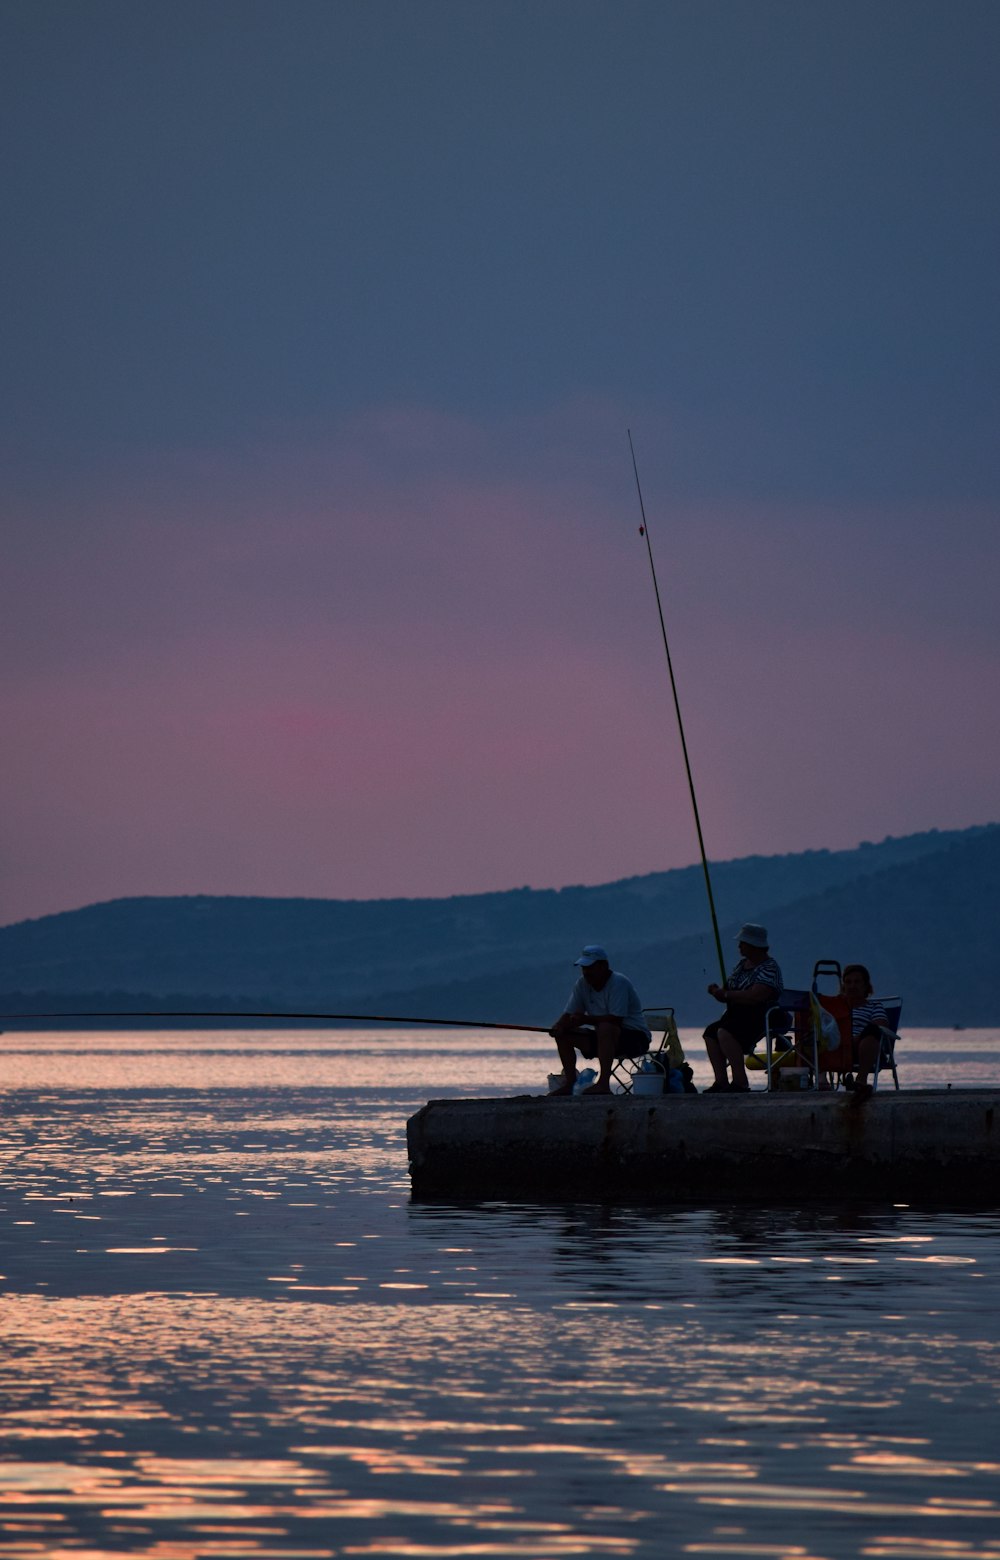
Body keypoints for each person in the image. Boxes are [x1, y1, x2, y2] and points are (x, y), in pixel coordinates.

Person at [548, 945, 651, 1096]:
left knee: (605, 1028)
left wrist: (585, 1019)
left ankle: (603, 1084)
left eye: (590, 967)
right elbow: (569, 1013)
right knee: (564, 1034)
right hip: (604, 1038)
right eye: (584, 967)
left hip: (635, 1039)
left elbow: (616, 1020)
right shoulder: (582, 984)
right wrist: (559, 1026)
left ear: (604, 966)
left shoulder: (619, 983)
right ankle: (570, 1083)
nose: (586, 972)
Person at [703, 923, 784, 1092]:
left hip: (760, 1016)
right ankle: (721, 1081)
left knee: (725, 1032)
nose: (739, 946)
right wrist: (718, 992)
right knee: (711, 1033)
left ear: (754, 945)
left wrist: (726, 994)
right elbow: (729, 991)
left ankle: (740, 1081)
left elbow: (756, 996)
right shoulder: (741, 965)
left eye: (743, 943)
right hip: (736, 1014)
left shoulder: (770, 967)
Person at [841, 963, 888, 1101]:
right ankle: (822, 1081)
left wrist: (856, 1038)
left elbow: (882, 1025)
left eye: (857, 982)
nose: (852, 986)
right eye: (848, 982)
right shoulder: (836, 1007)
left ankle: (861, 1080)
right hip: (839, 1046)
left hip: (863, 1045)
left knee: (872, 1030)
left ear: (866, 986)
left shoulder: (874, 1006)